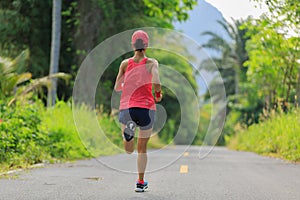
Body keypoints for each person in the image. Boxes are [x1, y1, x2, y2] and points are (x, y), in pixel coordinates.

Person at [114, 30, 162, 192]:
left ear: (133, 45)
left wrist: (127, 88)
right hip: (146, 108)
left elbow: (117, 87)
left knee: (129, 149)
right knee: (142, 149)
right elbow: (156, 80)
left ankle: (128, 132)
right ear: (146, 45)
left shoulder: (125, 64)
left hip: (127, 107)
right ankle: (140, 182)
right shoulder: (152, 63)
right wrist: (157, 93)